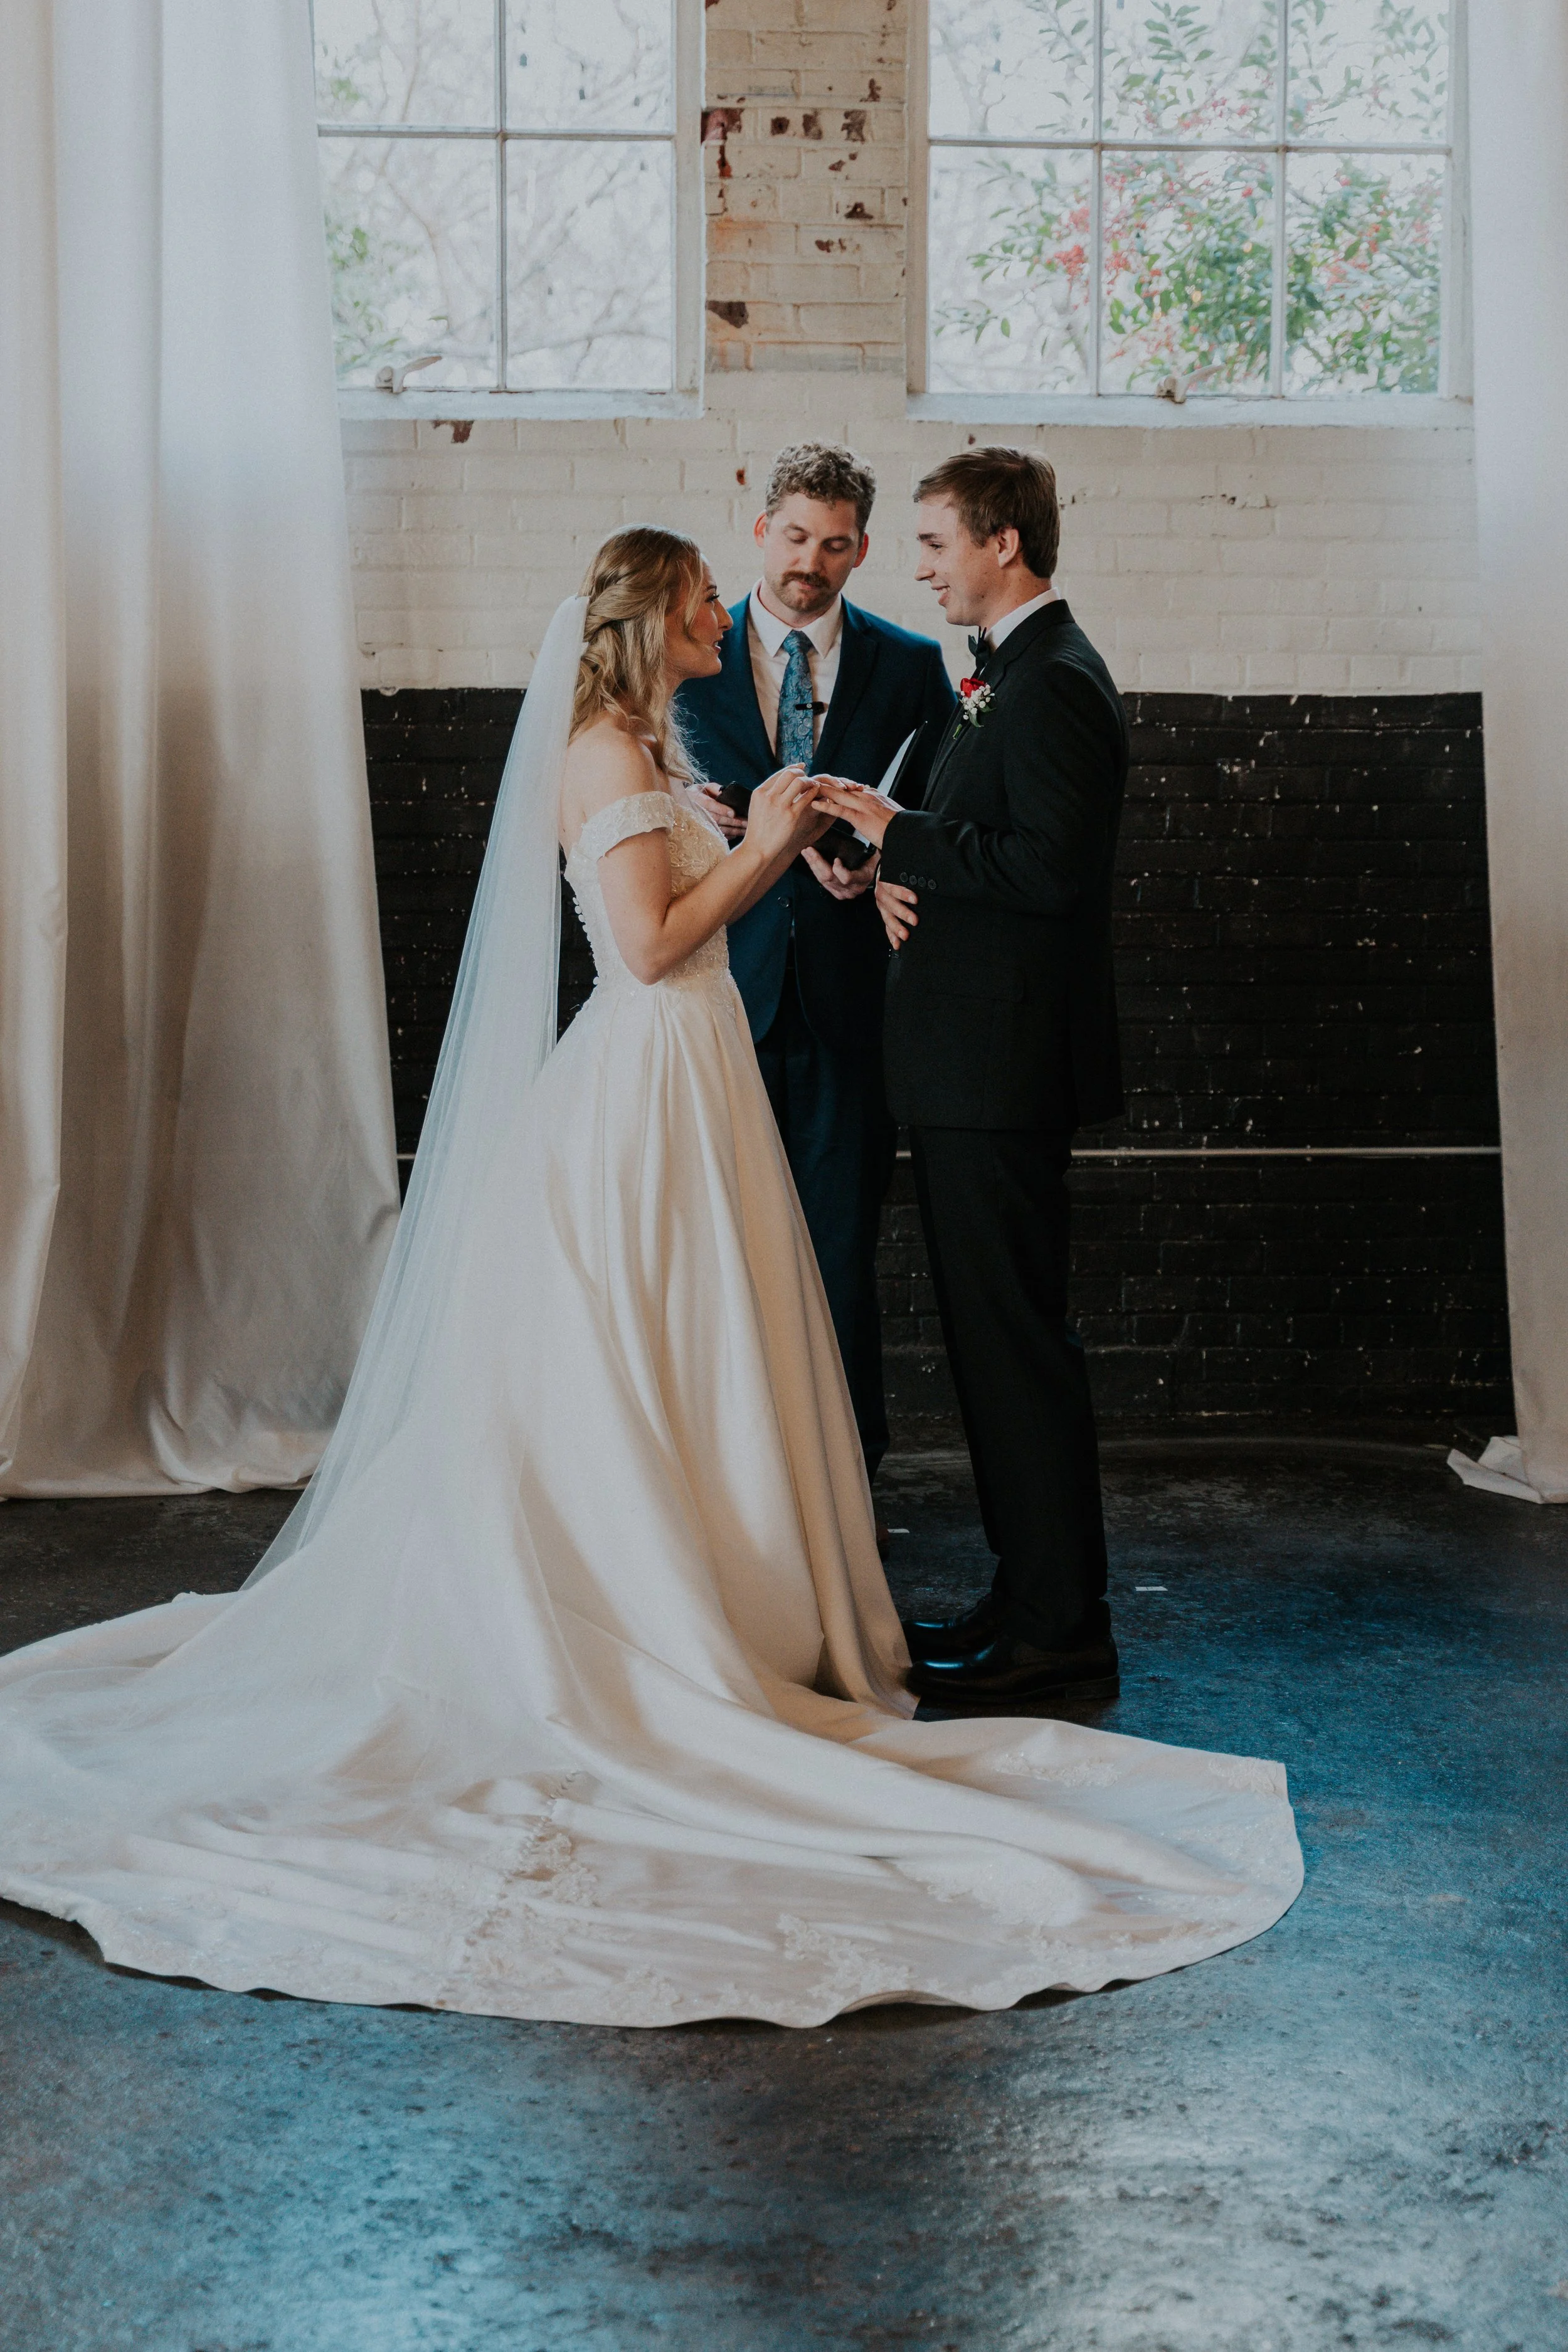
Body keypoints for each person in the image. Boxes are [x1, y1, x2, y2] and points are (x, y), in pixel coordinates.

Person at [0, 527, 1299, 2026]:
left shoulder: (648, 740)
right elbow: (643, 946)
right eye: (698, 602)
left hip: (700, 1083)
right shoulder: (604, 758)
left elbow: (709, 887)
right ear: (653, 619)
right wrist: (754, 841)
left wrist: (798, 840)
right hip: (647, 1079)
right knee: (636, 1358)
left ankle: (731, 1601)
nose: (716, 617)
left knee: (706, 1356)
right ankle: (643, 1633)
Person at [813, 448, 1127, 1713]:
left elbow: (1050, 869)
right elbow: (973, 844)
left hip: (998, 1072)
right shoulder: (1004, 677)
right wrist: (878, 863)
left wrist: (902, 837)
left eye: (935, 541)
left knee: (1013, 1351)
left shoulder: (1053, 682)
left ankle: (1059, 1630)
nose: (919, 565)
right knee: (993, 1348)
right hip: (962, 1069)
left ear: (1003, 543)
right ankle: (1024, 1599)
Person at [677, 444, 955, 1492]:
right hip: (718, 992)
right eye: (796, 537)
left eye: (836, 545)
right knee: (717, 1247)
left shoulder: (910, 664)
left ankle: (843, 1474)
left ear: (862, 551)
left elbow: (930, 814)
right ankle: (725, 1471)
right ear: (761, 529)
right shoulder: (690, 653)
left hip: (851, 1004)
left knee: (838, 1247)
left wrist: (883, 857)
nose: (812, 562)